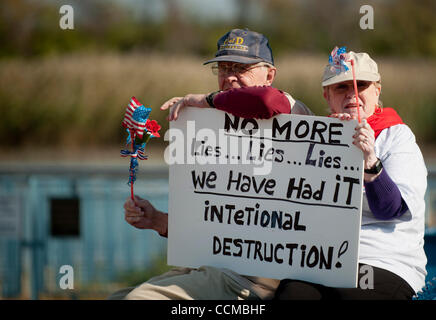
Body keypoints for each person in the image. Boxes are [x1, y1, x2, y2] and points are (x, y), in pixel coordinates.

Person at [108, 28, 313, 300]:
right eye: (223, 68)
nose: (229, 76)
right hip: (209, 268)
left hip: (250, 280)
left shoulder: (290, 109)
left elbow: (266, 101)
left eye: (241, 68)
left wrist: (203, 100)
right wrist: (157, 220)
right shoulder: (213, 127)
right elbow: (217, 224)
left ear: (270, 75)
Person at [274, 49, 427, 300]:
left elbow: (391, 209)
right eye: (340, 87)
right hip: (322, 262)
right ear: (327, 95)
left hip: (383, 262)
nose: (351, 94)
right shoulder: (314, 136)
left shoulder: (397, 137)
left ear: (377, 91)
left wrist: (369, 159)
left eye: (360, 85)